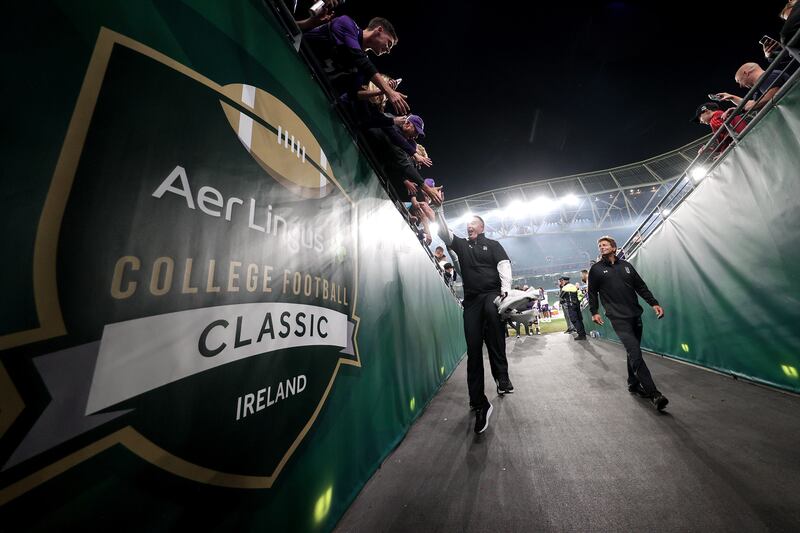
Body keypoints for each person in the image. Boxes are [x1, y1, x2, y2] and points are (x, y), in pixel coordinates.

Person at [439, 215, 513, 434]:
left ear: (481, 227)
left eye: (472, 223)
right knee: (473, 350)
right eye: (466, 224)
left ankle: (502, 376)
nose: (468, 226)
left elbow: (504, 265)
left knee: (494, 330)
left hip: (492, 295)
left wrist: (506, 289)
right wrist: (438, 209)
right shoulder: (461, 245)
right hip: (471, 301)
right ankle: (478, 401)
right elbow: (444, 233)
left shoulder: (493, 245)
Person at [588, 236, 669, 411]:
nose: (601, 247)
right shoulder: (595, 269)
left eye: (605, 245)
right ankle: (654, 394)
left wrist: (654, 303)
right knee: (635, 352)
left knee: (633, 352)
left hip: (635, 315)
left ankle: (633, 383)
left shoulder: (627, 266)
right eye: (599, 245)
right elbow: (592, 292)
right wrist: (594, 312)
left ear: (614, 247)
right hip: (617, 318)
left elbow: (641, 286)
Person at [304, 16, 410, 115]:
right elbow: (359, 58)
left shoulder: (363, 63)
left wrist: (380, 91)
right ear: (379, 30)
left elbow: (353, 94)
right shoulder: (347, 23)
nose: (388, 50)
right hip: (295, 54)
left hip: (310, 85)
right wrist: (389, 91)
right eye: (389, 43)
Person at [716, 62, 790, 118]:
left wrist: (744, 110)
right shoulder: (761, 85)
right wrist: (732, 97)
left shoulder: (768, 76)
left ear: (746, 73)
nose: (741, 86)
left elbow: (771, 97)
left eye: (739, 81)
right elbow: (753, 103)